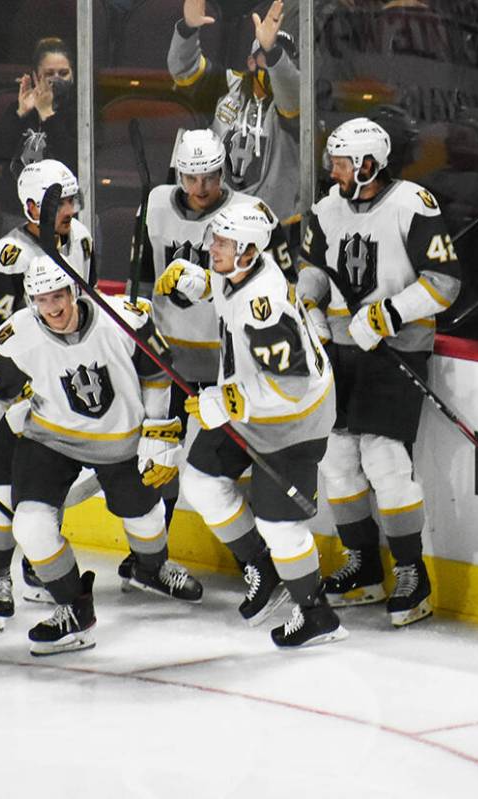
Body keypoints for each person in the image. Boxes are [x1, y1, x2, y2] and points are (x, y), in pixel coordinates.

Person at [0, 254, 203, 655]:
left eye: (59, 295)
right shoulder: (17, 337)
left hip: (121, 437)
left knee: (145, 517)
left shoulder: (122, 319)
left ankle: (149, 568)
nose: (53, 308)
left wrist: (156, 429)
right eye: (42, 299)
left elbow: (156, 373)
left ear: (76, 291)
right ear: (31, 301)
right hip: (50, 440)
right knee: (29, 525)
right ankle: (74, 609)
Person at [157, 202, 345, 648]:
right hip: (250, 408)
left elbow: (292, 387)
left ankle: (317, 613)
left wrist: (228, 399)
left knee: (280, 525)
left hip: (292, 421)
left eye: (221, 243)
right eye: (215, 240)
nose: (212, 248)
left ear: (246, 251)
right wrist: (198, 282)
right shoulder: (239, 271)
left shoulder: (266, 309)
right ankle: (260, 565)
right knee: (201, 481)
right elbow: (223, 290)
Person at [297, 117, 461, 627]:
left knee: (385, 459)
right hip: (340, 354)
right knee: (338, 458)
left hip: (397, 350)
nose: (335, 171)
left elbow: (445, 281)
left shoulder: (413, 204)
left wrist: (389, 314)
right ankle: (364, 566)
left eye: (343, 163)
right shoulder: (326, 209)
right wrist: (311, 307)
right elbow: (313, 272)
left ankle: (412, 571)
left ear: (369, 164)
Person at [124, 128, 291, 574]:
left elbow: (280, 285)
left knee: (234, 459)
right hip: (168, 358)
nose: (201, 188)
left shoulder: (251, 215)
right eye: (191, 177)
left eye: (211, 177)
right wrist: (137, 316)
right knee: (159, 459)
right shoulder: (155, 204)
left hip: (230, 366)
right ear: (178, 171)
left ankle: (261, 557)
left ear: (225, 171)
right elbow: (139, 278)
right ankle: (151, 559)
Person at [0, 158, 98, 626]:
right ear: (32, 207)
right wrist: (7, 399)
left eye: (74, 199)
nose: (72, 209)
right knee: (1, 486)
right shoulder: (9, 258)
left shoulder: (80, 239)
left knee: (44, 491)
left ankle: (38, 566)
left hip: (56, 389)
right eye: (62, 202)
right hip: (10, 392)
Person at [167, 0, 300, 221]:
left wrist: (273, 53)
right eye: (265, 57)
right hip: (218, 221)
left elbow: (290, 92)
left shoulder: (295, 102)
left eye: (279, 58)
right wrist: (187, 29)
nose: (272, 65)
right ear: (250, 62)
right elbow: (183, 69)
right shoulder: (227, 84)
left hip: (274, 227)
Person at [0, 37, 79, 232]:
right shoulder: (20, 111)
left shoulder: (82, 111)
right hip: (19, 215)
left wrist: (47, 114)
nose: (57, 79)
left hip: (65, 215)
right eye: (49, 73)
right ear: (35, 77)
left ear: (74, 75)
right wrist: (20, 114)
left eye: (64, 73)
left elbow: (71, 160)